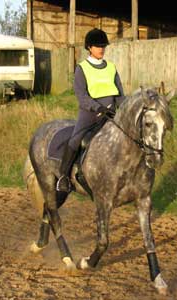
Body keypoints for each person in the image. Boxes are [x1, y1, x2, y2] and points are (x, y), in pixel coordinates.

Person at [56, 28, 125, 192]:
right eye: (97, 45)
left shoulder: (111, 67)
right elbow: (82, 96)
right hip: (90, 115)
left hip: (111, 114)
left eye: (103, 46)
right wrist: (98, 107)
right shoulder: (82, 68)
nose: (101, 49)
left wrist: (126, 107)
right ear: (89, 47)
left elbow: (120, 93)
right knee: (75, 140)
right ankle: (63, 177)